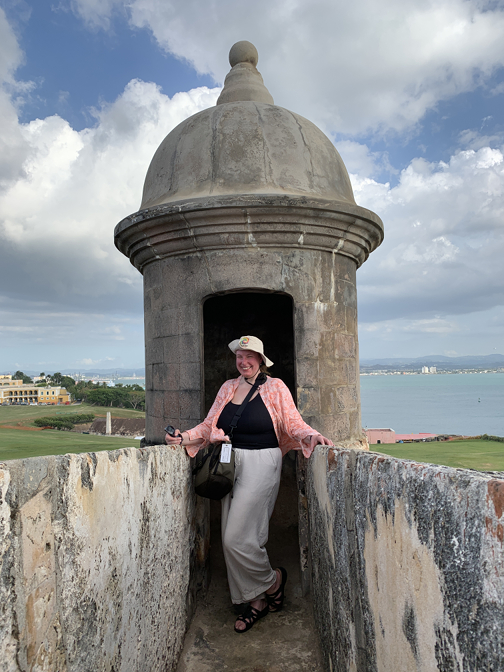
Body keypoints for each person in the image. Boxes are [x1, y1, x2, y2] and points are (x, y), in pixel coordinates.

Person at [165, 335, 333, 633]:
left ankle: (272, 581)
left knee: (236, 538)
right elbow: (208, 426)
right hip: (230, 462)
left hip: (263, 461)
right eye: (239, 357)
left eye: (249, 356)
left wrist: (310, 436)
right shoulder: (228, 387)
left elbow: (293, 422)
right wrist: (183, 438)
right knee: (235, 534)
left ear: (260, 359)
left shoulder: (275, 386)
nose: (243, 361)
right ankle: (256, 599)